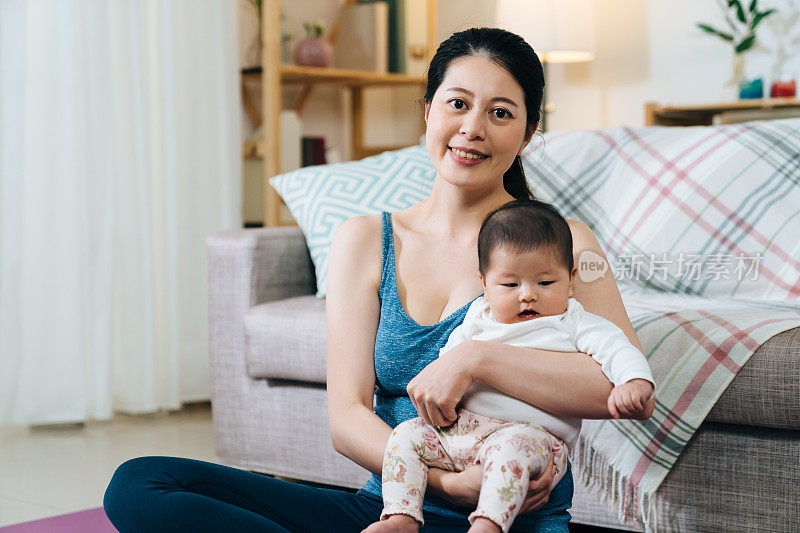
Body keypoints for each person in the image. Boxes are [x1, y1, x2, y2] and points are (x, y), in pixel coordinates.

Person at [103, 27, 655, 532]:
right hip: (393, 511)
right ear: (429, 110)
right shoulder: (366, 239)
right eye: (457, 104)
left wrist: (475, 359)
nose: (472, 128)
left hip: (503, 521)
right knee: (140, 483)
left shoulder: (567, 242)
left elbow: (614, 385)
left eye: (501, 113)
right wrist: (444, 485)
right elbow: (346, 417)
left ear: (529, 131)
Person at [366, 199, 655, 533]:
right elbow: (447, 364)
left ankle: (488, 524)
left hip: (532, 438)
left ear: (571, 280)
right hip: (464, 431)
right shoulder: (478, 316)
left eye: (545, 283)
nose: (528, 295)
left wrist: (634, 382)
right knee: (405, 436)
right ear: (485, 284)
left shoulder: (573, 320)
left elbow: (618, 349)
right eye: (510, 285)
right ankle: (401, 516)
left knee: (509, 452)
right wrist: (443, 394)